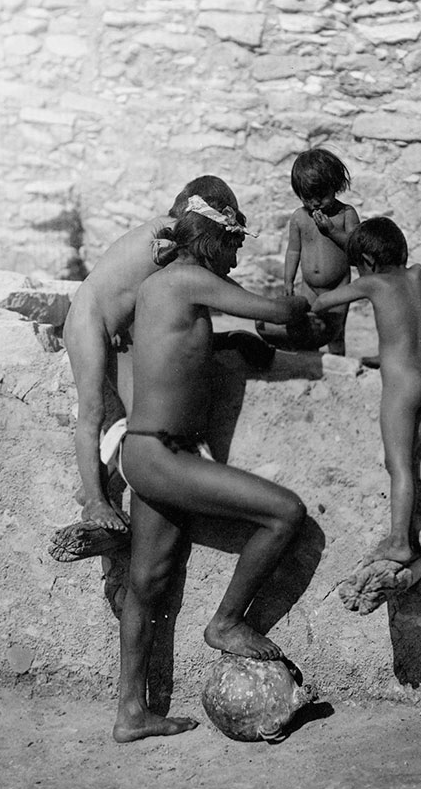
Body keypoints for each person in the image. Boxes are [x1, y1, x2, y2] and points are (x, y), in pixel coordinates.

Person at [112, 196, 310, 742]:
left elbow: (177, 348)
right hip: (164, 456)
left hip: (149, 453)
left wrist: (229, 342)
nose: (236, 258)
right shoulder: (186, 278)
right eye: (234, 245)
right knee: (284, 514)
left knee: (147, 581)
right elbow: (280, 312)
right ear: (212, 237)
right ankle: (225, 621)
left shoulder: (166, 289)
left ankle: (131, 714)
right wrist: (312, 303)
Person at [62, 177, 273, 533]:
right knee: (93, 410)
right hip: (89, 318)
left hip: (119, 329)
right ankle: (96, 502)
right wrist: (267, 305)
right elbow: (215, 286)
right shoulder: (170, 235)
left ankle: (96, 484)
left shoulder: (175, 234)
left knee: (138, 419)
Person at [311, 217, 421, 590]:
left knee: (398, 466)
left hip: (401, 387)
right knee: (404, 460)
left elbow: (323, 302)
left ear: (367, 260)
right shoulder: (418, 274)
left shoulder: (373, 282)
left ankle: (399, 543)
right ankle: (414, 528)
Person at [283, 148, 360, 355]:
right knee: (309, 328)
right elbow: (293, 251)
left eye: (321, 196)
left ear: (335, 187)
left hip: (338, 287)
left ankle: (338, 362)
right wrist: (288, 280)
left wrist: (332, 231)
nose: (315, 203)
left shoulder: (346, 214)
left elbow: (355, 248)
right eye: (308, 198)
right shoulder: (299, 217)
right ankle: (313, 365)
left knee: (334, 330)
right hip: (308, 287)